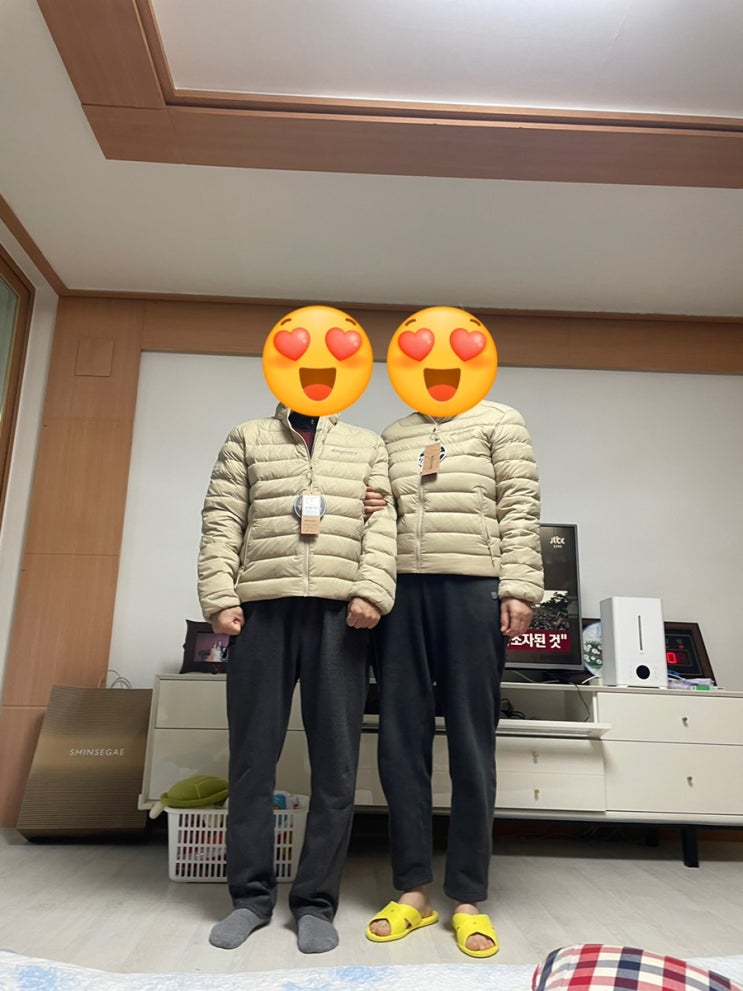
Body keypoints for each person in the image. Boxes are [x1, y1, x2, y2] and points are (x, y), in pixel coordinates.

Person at [198, 403, 396, 953]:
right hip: (262, 611)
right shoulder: (247, 437)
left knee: (337, 764)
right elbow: (221, 519)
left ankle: (315, 903)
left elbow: (382, 526)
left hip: (341, 615)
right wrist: (219, 597)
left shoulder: (367, 444)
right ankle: (250, 899)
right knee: (251, 760)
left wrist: (372, 591)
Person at [364, 398, 543, 958]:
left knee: (471, 740)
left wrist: (519, 587)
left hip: (473, 586)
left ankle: (467, 897)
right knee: (399, 742)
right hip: (400, 592)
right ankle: (413, 891)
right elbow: (382, 511)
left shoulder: (500, 421)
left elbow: (519, 504)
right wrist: (373, 503)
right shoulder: (393, 433)